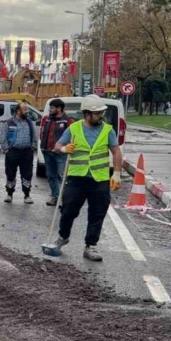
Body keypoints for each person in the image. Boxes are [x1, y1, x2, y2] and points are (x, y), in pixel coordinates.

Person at [50, 95, 122, 262]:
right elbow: (57, 146)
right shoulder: (74, 129)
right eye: (97, 113)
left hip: (100, 180)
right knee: (68, 210)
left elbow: (116, 152)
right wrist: (64, 149)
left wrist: (116, 174)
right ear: (87, 114)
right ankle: (63, 237)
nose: (101, 116)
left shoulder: (107, 130)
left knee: (97, 213)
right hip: (77, 178)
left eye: (101, 113)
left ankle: (91, 246)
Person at [1, 102, 38, 204]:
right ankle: (9, 194)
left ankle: (27, 195)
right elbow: (3, 137)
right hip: (12, 152)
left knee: (27, 174)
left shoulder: (29, 122)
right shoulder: (9, 122)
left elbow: (34, 136)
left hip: (27, 153)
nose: (27, 111)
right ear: (18, 111)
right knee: (10, 174)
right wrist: (7, 150)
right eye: (25, 109)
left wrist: (32, 147)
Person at [40, 99, 75, 206]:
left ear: (59, 109)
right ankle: (55, 197)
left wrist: (66, 148)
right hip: (47, 152)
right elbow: (43, 133)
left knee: (62, 177)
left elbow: (74, 137)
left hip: (61, 154)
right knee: (51, 176)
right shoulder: (47, 119)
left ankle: (64, 199)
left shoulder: (68, 121)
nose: (50, 110)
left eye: (52, 108)